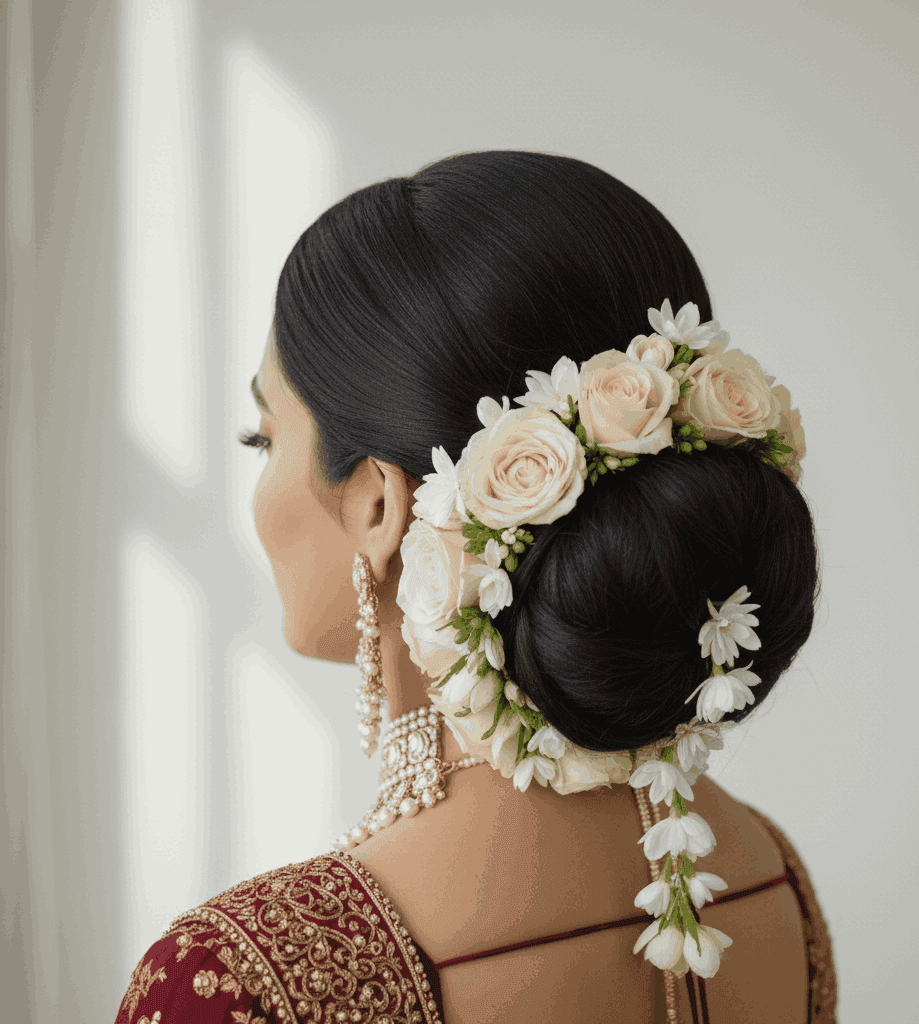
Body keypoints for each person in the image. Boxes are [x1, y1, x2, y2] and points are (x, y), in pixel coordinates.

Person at [113, 150, 836, 1024]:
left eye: (261, 438)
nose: (258, 488)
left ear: (379, 505)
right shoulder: (769, 880)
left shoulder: (239, 978)